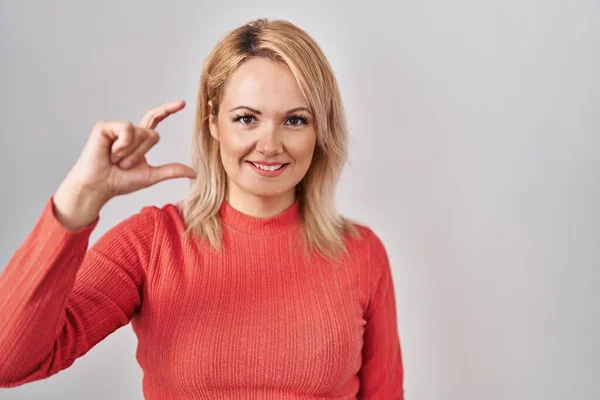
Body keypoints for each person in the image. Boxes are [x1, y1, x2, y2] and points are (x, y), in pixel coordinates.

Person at [0, 18, 404, 399]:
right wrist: (80, 197)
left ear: (320, 129)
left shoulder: (361, 253)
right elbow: (9, 361)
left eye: (295, 120)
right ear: (213, 122)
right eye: (247, 118)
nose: (269, 144)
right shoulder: (153, 244)